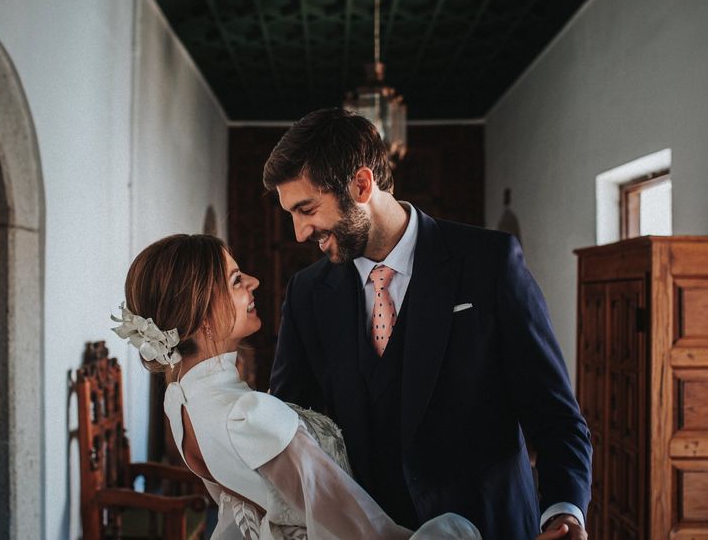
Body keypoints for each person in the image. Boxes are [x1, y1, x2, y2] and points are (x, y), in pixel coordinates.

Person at [263, 108, 593, 540]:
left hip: (491, 527)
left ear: (361, 185)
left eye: (306, 208)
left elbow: (555, 417)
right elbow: (292, 424)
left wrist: (563, 511)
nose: (300, 232)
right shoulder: (307, 293)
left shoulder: (489, 263)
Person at [113, 234, 573, 540]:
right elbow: (360, 533)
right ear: (199, 310)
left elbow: (243, 512)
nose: (252, 280)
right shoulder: (249, 415)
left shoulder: (182, 402)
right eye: (236, 280)